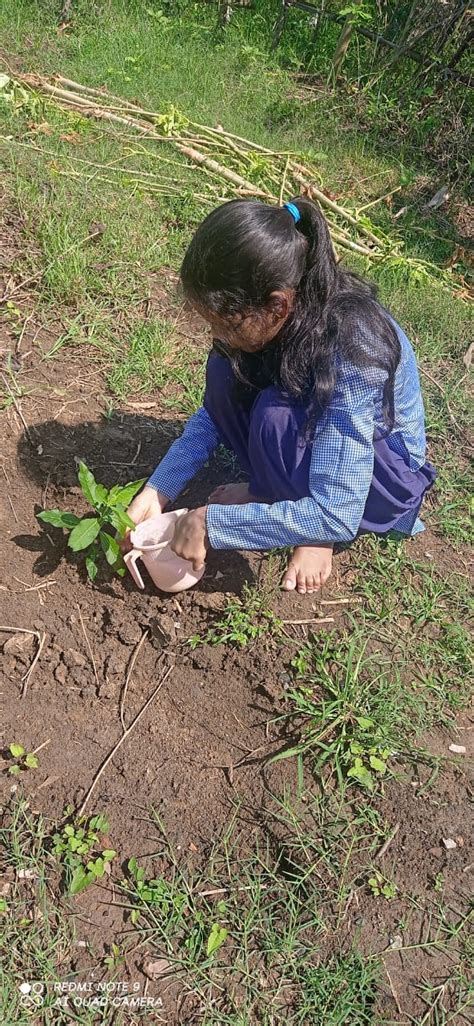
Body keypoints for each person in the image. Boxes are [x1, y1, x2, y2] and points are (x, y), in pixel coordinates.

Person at [125, 197, 435, 595]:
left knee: (276, 416)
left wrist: (210, 524)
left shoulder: (355, 348)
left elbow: (339, 511)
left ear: (277, 305)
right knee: (224, 371)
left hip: (380, 474)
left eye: (227, 325)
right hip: (319, 429)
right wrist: (159, 489)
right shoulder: (276, 313)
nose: (217, 336)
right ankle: (275, 496)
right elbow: (213, 414)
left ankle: (310, 530)